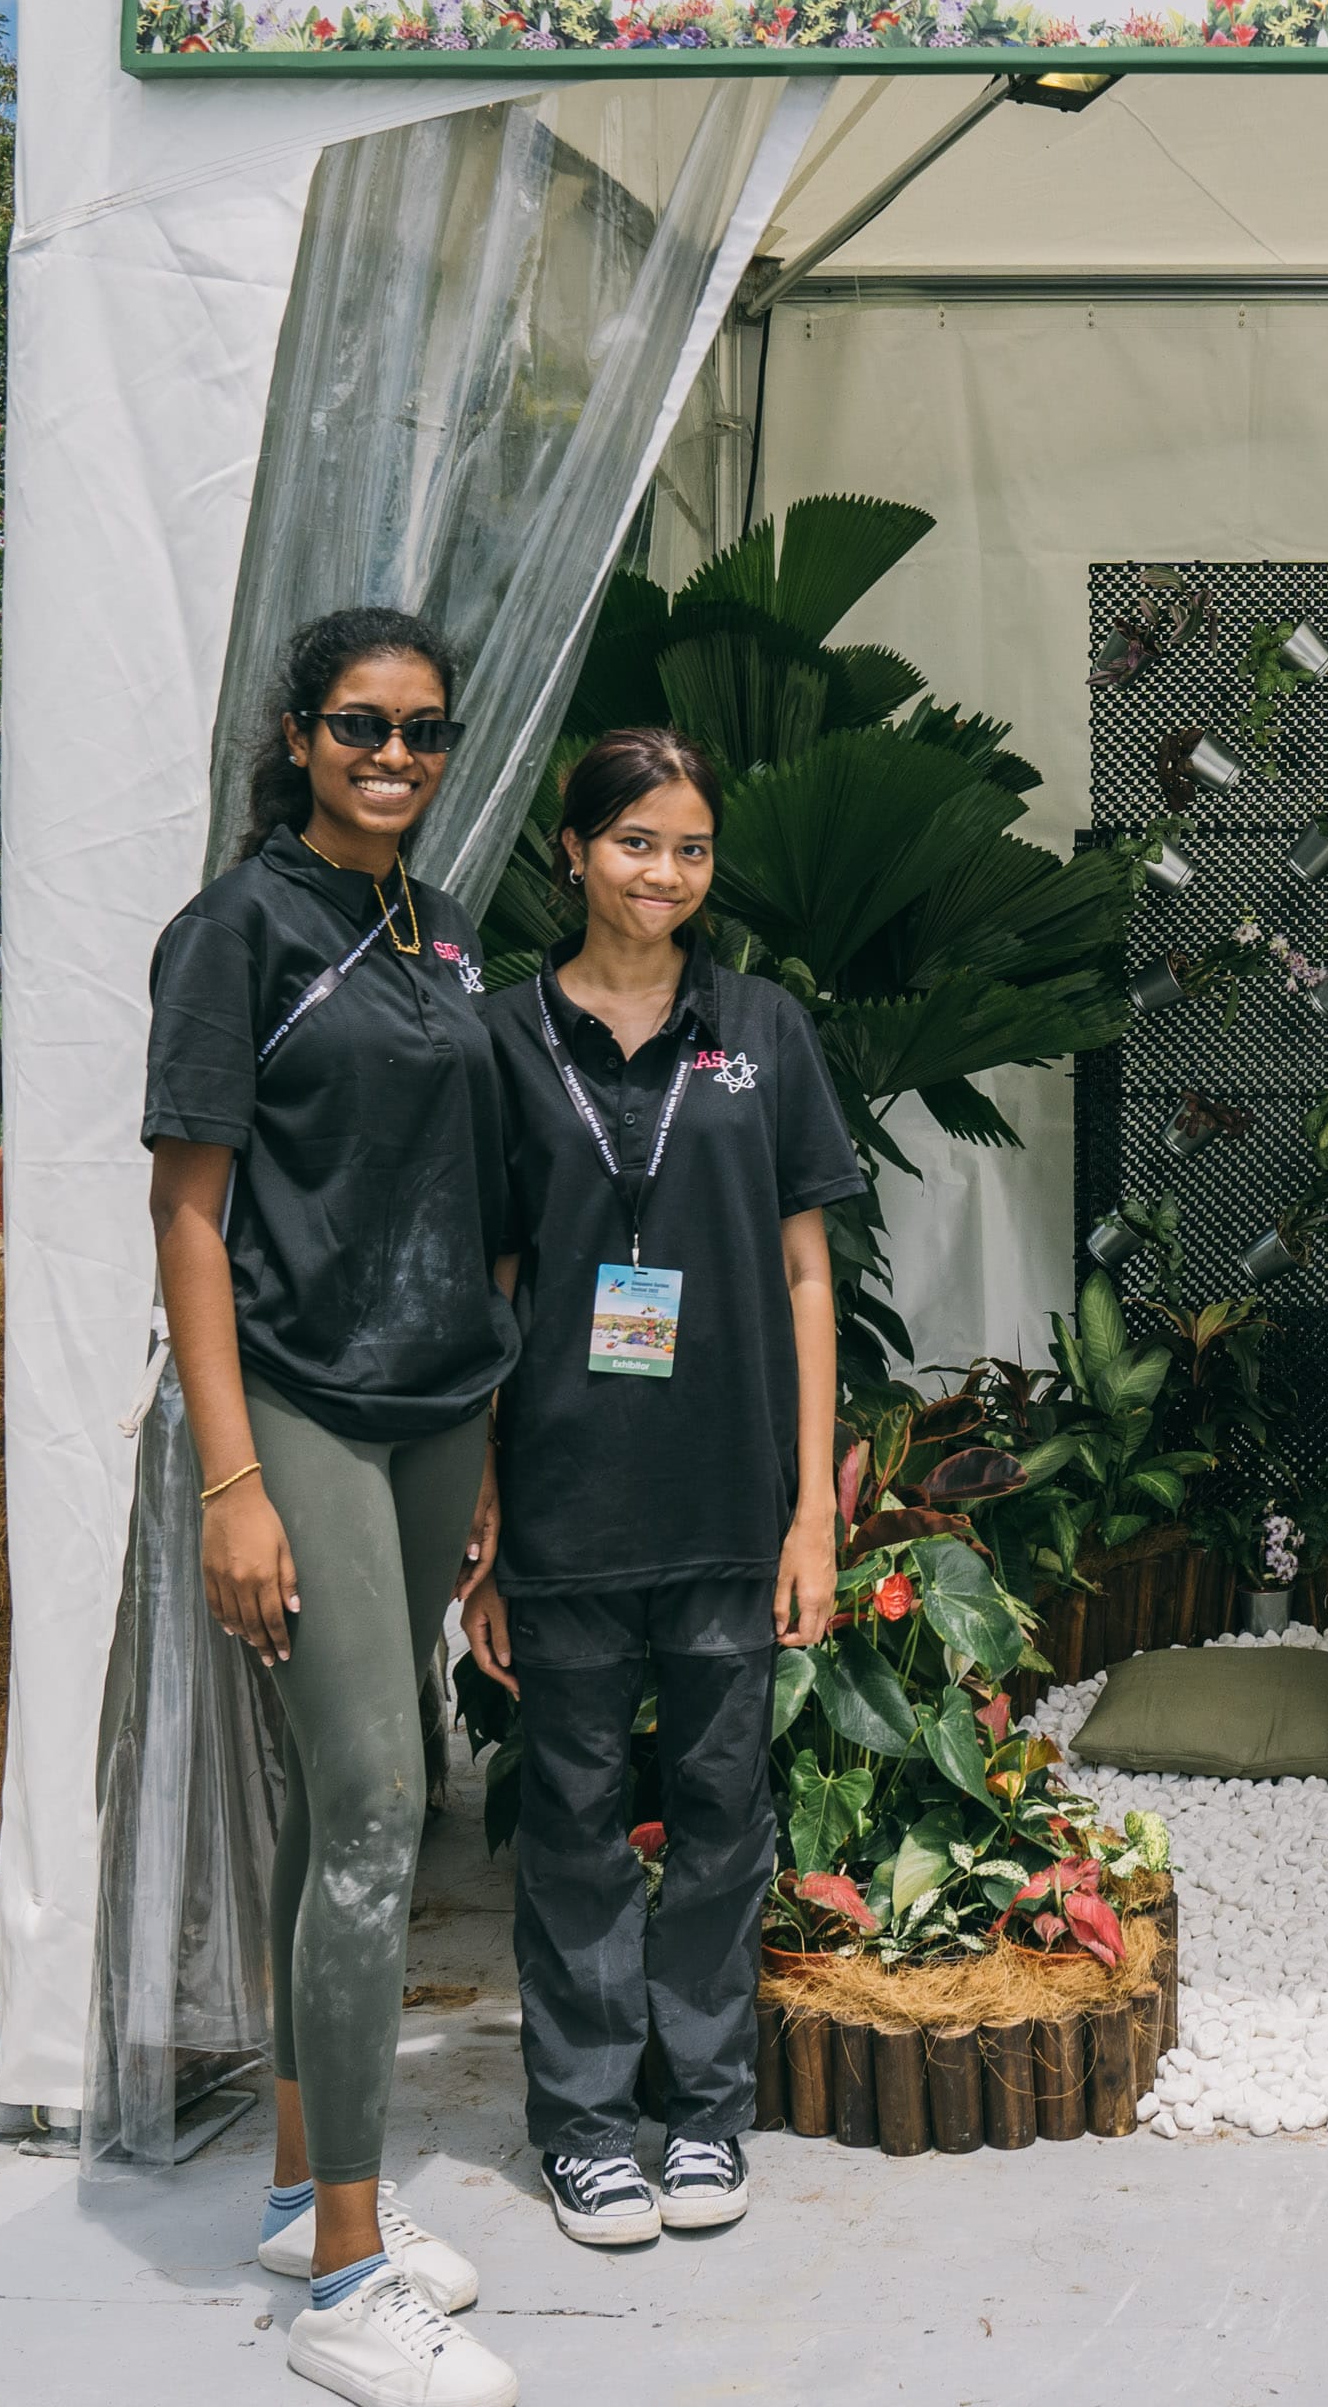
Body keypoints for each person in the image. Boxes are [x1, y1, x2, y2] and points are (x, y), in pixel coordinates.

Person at [146, 607, 520, 2407]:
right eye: (362, 726)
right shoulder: (234, 932)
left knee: (331, 1799)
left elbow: (459, 1198)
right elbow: (191, 1220)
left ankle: (308, 2192)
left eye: (427, 731)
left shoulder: (440, 932)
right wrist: (233, 1480)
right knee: (384, 1802)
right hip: (299, 1407)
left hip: (439, 1408)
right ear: (297, 736)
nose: (396, 756)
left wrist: (490, 1457)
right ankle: (354, 2285)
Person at [459, 728, 863, 2252]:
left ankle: (702, 2116)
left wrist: (812, 1510)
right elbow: (491, 1276)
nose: (665, 874)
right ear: (573, 851)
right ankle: (580, 2129)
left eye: (690, 848)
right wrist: (485, 1512)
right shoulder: (504, 1038)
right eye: (636, 842)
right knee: (568, 1823)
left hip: (723, 1497)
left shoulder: (761, 1025)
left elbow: (807, 1270)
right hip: (561, 1501)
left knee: (719, 1812)